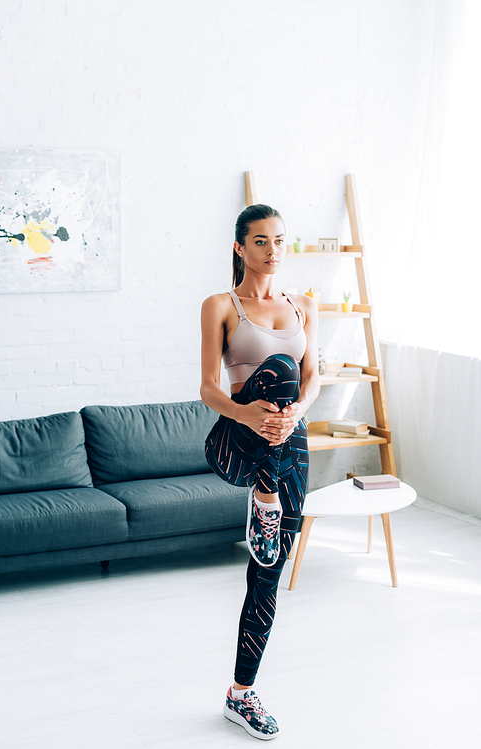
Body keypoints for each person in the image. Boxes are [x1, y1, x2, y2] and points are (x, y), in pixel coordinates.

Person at [200, 204, 320, 740]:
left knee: (268, 573)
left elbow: (315, 379)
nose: (273, 251)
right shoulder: (220, 306)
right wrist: (249, 412)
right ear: (239, 248)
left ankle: (240, 694)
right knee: (278, 368)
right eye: (261, 241)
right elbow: (207, 388)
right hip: (237, 444)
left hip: (290, 445)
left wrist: (297, 411)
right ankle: (263, 500)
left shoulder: (304, 307)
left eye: (280, 241)